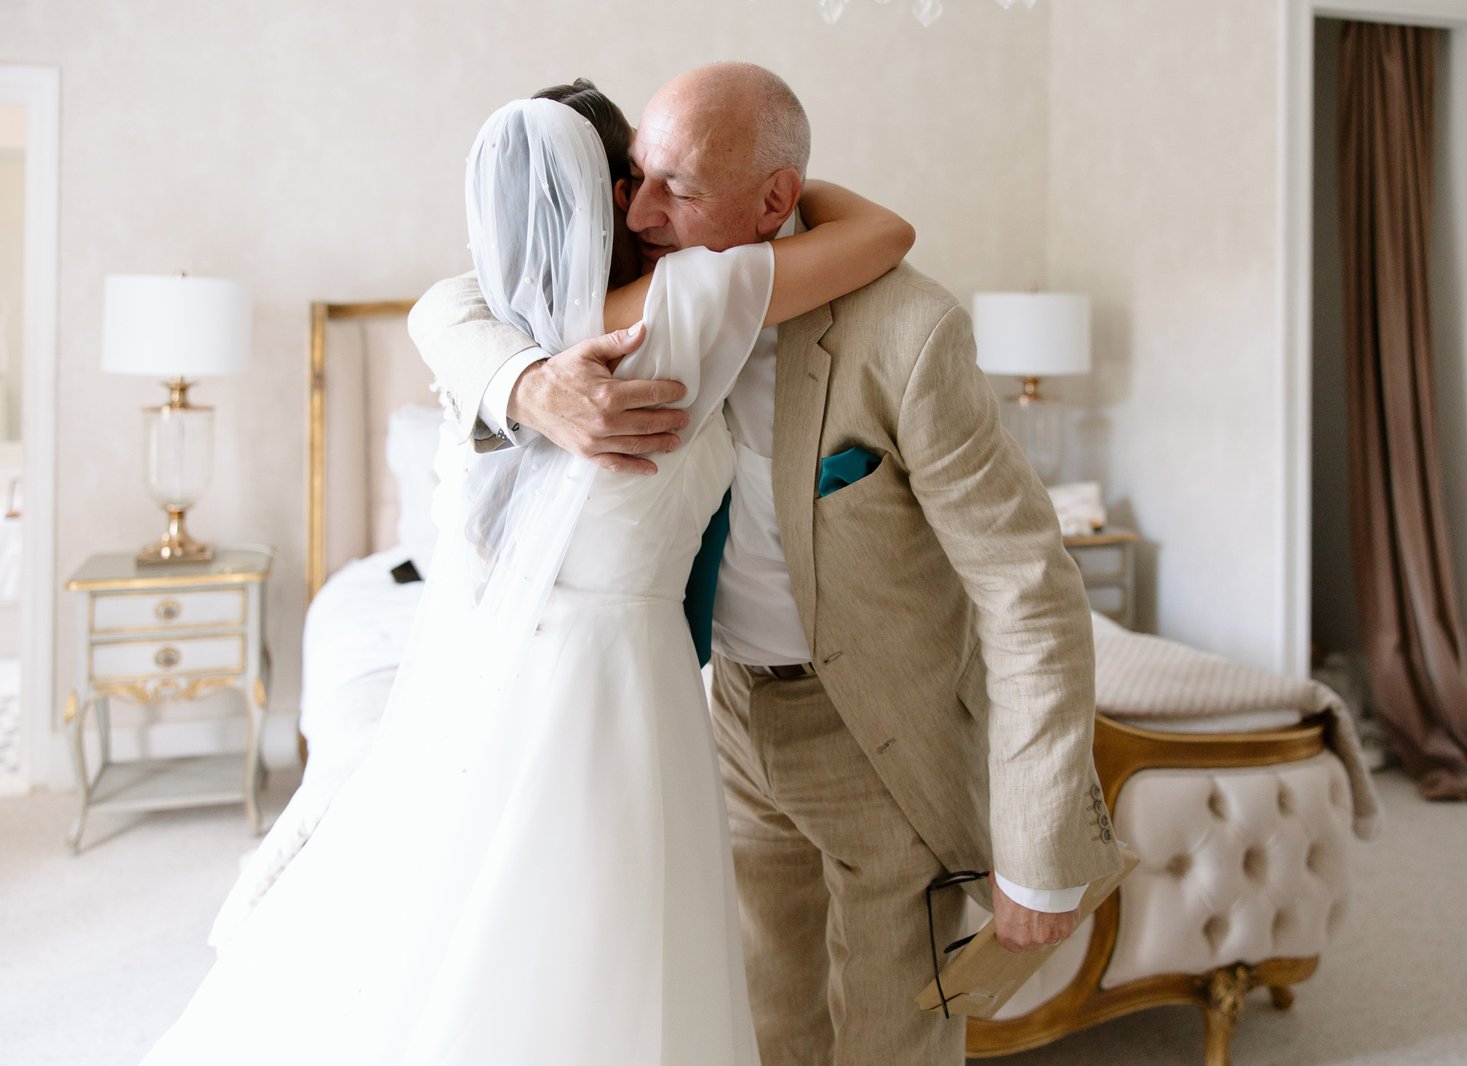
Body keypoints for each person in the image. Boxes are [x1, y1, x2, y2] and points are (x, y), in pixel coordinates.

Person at [141, 88, 913, 1066]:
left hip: (503, 671)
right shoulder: (677, 310)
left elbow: (444, 300)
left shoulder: (498, 330)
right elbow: (885, 231)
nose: (652, 208)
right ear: (610, 191)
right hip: (619, 681)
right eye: (641, 179)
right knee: (612, 940)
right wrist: (778, 194)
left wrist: (514, 373)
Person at [412, 62, 1122, 1066]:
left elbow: (1026, 584)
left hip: (879, 734)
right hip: (723, 718)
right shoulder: (591, 316)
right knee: (761, 1018)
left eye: (679, 189)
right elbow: (445, 303)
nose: (642, 211)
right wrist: (524, 385)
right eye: (635, 177)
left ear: (776, 201)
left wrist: (1041, 845)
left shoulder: (907, 332)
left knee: (892, 1033)